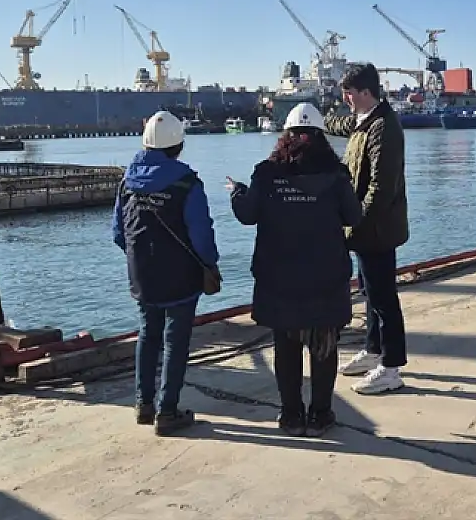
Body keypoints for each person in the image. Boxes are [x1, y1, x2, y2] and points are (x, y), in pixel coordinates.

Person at [228, 103, 362, 436]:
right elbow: (354, 216)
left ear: (285, 135)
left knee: (286, 347)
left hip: (279, 278)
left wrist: (238, 193)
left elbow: (247, 214)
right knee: (324, 345)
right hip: (325, 277)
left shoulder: (266, 173)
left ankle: (290, 415)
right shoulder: (337, 175)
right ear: (321, 137)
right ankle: (321, 414)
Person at [112, 110, 222, 436]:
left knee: (148, 334)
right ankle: (167, 411)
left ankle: (143, 404)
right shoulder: (187, 184)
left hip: (142, 273)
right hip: (180, 274)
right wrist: (210, 263)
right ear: (178, 145)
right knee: (175, 340)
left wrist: (140, 257)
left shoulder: (127, 183)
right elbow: (201, 234)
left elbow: (118, 232)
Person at [324, 63, 410, 395]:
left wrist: (357, 220)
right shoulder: (364, 120)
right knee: (370, 293)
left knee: (383, 297)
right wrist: (316, 121)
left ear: (364, 92)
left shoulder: (384, 128)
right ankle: (373, 349)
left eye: (348, 93)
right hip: (364, 229)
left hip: (377, 229)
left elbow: (380, 187)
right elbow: (340, 124)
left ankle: (391, 367)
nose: (345, 99)